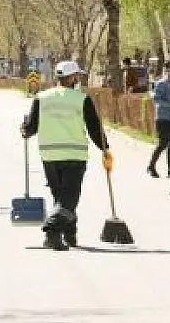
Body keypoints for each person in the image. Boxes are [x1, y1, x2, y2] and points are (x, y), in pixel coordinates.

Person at [20, 60, 110, 251]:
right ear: (71, 77)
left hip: (49, 156)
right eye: (77, 76)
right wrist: (105, 147)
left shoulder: (41, 98)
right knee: (69, 198)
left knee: (61, 198)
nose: (78, 79)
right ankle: (52, 231)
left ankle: (69, 233)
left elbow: (32, 128)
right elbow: (94, 128)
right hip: (74, 155)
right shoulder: (81, 99)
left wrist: (25, 130)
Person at [147, 62, 170, 178]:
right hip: (163, 118)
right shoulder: (161, 83)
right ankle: (151, 166)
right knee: (163, 143)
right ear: (167, 70)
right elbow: (156, 100)